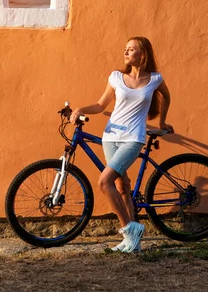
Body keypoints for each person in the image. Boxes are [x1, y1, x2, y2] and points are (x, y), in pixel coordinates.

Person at [70, 36, 173, 253]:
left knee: (103, 182)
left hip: (133, 139)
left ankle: (129, 228)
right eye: (125, 49)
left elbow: (167, 97)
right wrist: (80, 109)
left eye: (132, 49)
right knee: (121, 186)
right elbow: (100, 105)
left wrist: (162, 122)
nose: (126, 52)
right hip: (111, 137)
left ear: (143, 54)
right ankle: (132, 243)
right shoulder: (117, 77)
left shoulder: (154, 79)